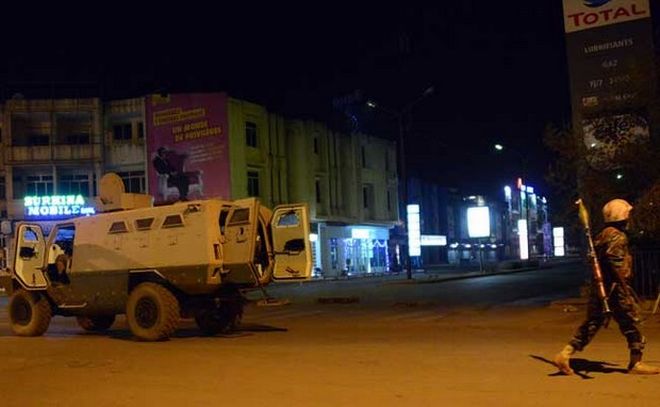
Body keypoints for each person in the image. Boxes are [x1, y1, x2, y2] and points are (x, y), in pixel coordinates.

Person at [554, 199, 660, 375]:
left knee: (593, 323)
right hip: (615, 289)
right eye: (628, 215)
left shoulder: (602, 235)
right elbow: (615, 263)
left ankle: (565, 354)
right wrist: (625, 284)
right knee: (631, 322)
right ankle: (636, 362)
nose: (629, 218)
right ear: (621, 217)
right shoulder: (617, 236)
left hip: (601, 287)